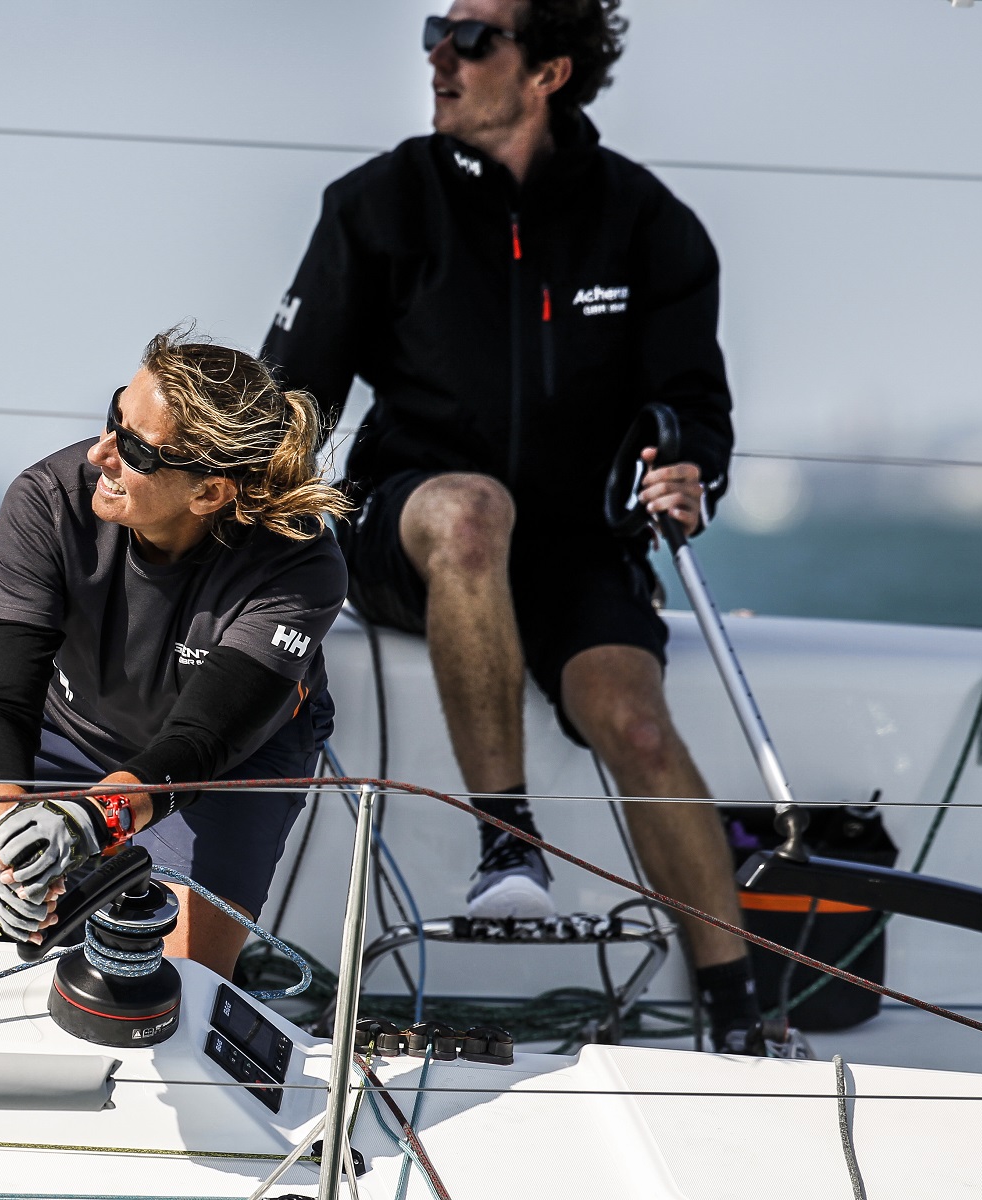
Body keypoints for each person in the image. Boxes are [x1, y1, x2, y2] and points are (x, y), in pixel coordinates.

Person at [261, 0, 766, 1049]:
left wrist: (686, 464)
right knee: (471, 509)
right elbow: (288, 408)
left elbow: (694, 405)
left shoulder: (645, 220)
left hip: (580, 544)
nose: (439, 55)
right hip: (416, 525)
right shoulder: (378, 205)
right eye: (435, 32)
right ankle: (507, 846)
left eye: (473, 38)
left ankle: (740, 1012)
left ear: (549, 72)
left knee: (631, 718)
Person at [0, 330, 351, 977]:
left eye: (136, 449)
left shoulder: (301, 566)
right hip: (46, 717)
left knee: (177, 992)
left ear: (209, 493)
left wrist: (91, 818)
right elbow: (3, 697)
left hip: (220, 767)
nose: (100, 454)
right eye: (114, 417)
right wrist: (8, 844)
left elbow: (200, 743)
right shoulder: (47, 498)